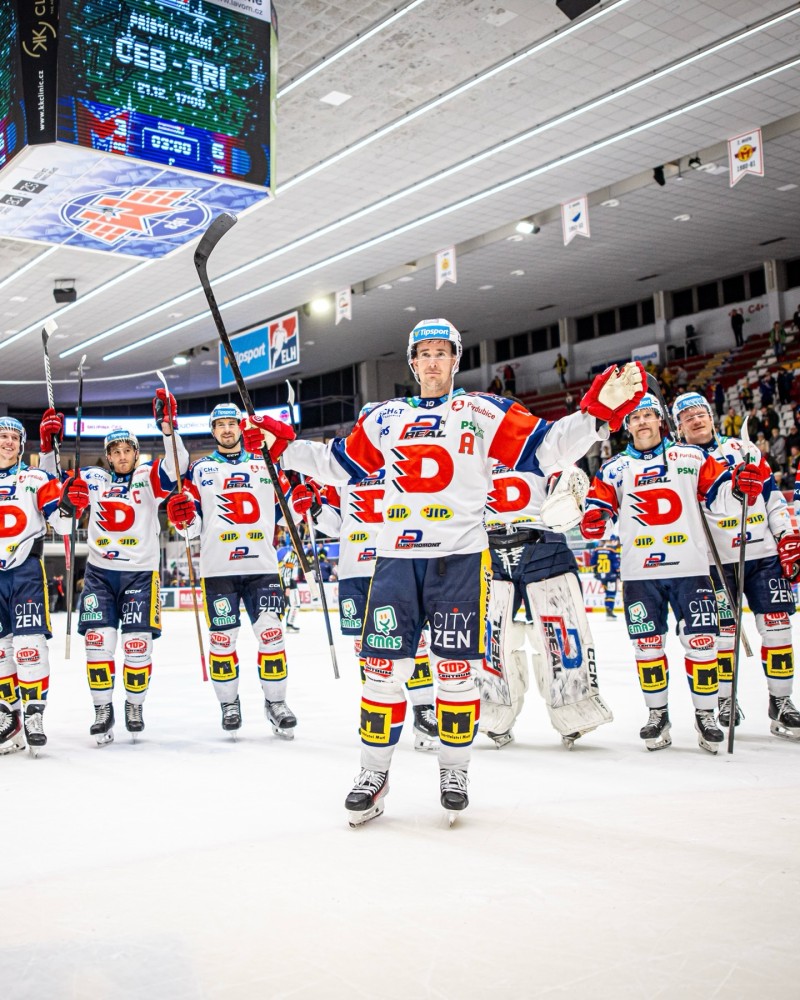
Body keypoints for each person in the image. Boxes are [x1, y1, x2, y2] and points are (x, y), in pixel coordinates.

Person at [248, 318, 645, 824]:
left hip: (460, 561)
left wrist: (597, 415)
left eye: (442, 352)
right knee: (382, 675)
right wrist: (281, 448)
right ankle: (374, 774)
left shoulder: (482, 411)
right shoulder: (385, 418)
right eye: (424, 352)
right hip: (395, 562)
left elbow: (546, 449)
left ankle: (453, 770)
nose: (433, 360)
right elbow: (336, 463)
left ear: (455, 360)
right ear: (412, 362)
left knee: (456, 675)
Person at [581, 392, 768, 753]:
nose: (641, 422)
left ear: (661, 420)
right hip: (640, 575)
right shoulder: (613, 468)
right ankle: (657, 715)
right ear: (627, 425)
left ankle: (706, 715)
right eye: (634, 418)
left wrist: (743, 486)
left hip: (692, 570)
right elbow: (598, 515)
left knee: (702, 644)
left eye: (648, 415)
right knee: (647, 648)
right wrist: (592, 521)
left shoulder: (692, 456)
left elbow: (724, 500)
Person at [47, 392, 188, 745]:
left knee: (137, 645)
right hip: (98, 573)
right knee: (98, 644)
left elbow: (179, 464)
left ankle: (134, 706)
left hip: (141, 574)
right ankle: (102, 709)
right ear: (108, 456)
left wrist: (169, 428)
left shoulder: (149, 476)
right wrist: (52, 448)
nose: (122, 457)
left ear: (135, 453)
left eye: (127, 451)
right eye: (116, 452)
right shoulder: (93, 478)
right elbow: (54, 487)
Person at [168, 403, 299, 739]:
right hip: (218, 569)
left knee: (272, 637)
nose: (227, 429)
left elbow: (289, 513)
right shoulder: (199, 469)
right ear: (212, 431)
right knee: (222, 641)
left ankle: (276, 704)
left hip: (263, 566)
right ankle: (229, 704)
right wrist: (181, 516)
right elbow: (191, 527)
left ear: (241, 427)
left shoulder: (265, 462)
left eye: (232, 423)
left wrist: (304, 501)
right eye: (220, 425)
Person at [674, 391, 800, 739]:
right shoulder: (680, 460)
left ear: (712, 417)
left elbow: (772, 497)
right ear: (679, 428)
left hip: (763, 554)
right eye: (688, 417)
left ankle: (781, 702)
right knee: (722, 637)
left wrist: (786, 537)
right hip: (715, 562)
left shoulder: (744, 449)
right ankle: (725, 701)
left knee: (777, 629)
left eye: (701, 413)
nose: (697, 419)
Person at [479, 463, 612, 749]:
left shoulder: (541, 444)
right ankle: (492, 714)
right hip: (489, 552)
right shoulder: (476, 448)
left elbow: (572, 482)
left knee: (560, 635)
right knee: (493, 640)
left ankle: (574, 712)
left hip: (544, 546)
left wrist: (578, 500)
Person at [308, 463, 440, 752]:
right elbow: (334, 524)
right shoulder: (341, 468)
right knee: (366, 647)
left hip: (400, 561)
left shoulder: (403, 456)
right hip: (355, 568)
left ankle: (423, 710)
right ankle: (376, 705)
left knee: (414, 640)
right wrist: (315, 509)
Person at [0, 415, 69, 755]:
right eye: (2, 435)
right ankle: (8, 719)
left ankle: (33, 714)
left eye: (14, 436)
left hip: (25, 569)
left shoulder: (36, 476)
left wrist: (72, 501)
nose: (8, 441)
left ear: (21, 444)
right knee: (1, 651)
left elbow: (63, 523)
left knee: (28, 645)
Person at [590, 534, 621, 620]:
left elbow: (592, 562)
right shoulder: (612, 551)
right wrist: (619, 573)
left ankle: (608, 609)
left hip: (601, 576)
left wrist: (596, 572)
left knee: (607, 592)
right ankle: (609, 610)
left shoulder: (596, 550)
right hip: (611, 576)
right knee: (611, 593)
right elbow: (616, 564)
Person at [279, 547, 301, 632]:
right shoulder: (292, 555)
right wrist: (287, 586)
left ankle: (288, 624)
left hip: (288, 581)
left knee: (290, 604)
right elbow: (287, 571)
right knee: (295, 604)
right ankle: (289, 625)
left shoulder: (291, 554)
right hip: (289, 582)